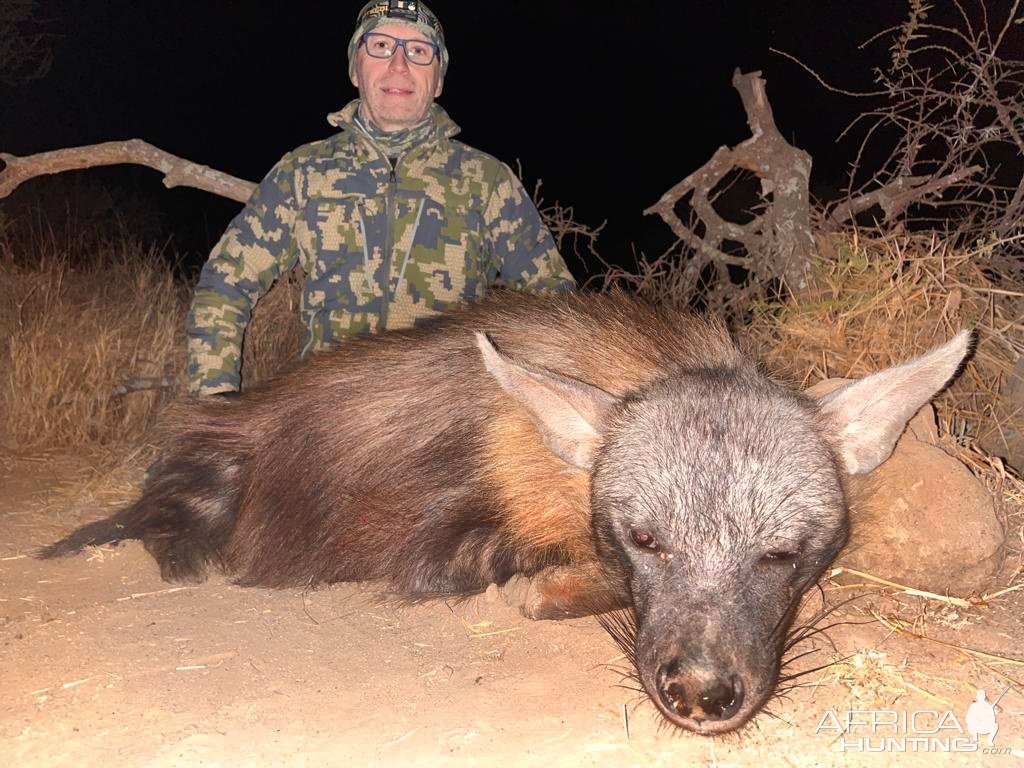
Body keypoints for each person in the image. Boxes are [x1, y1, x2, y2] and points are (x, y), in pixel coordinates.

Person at [185, 0, 577, 396]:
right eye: (381, 47)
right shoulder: (303, 172)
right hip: (326, 413)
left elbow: (558, 307)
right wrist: (217, 404)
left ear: (438, 80)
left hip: (442, 419)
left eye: (419, 52)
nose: (399, 65)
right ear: (355, 68)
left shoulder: (488, 181)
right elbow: (225, 282)